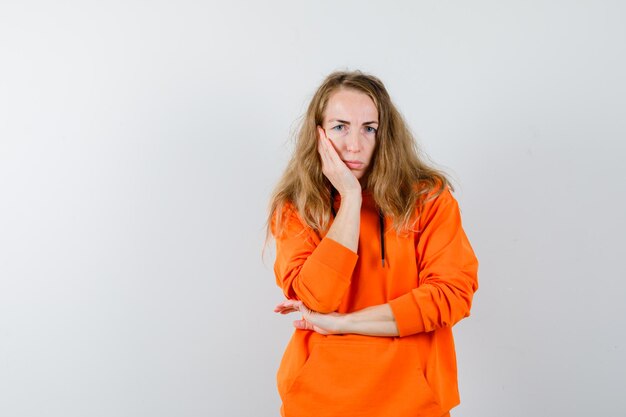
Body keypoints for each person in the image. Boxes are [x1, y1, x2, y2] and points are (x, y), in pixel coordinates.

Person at [266, 70, 479, 417]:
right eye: (340, 127)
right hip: (318, 401)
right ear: (317, 134)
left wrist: (344, 323)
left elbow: (451, 295)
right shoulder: (296, 207)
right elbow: (318, 298)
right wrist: (350, 197)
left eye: (369, 128)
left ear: (386, 135)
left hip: (414, 403)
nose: (354, 144)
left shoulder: (428, 198)